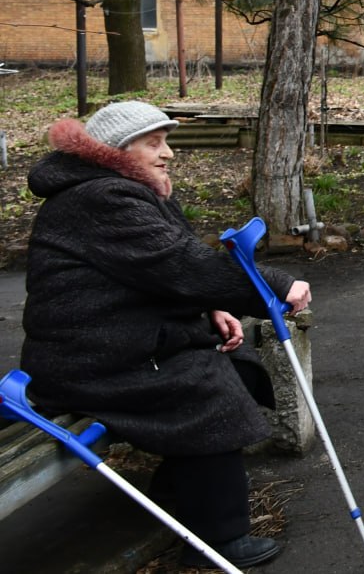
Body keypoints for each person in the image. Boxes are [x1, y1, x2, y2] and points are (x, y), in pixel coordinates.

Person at [21, 101, 312, 570]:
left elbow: (166, 263)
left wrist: (213, 303)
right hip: (92, 360)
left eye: (166, 141)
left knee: (235, 375)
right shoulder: (101, 199)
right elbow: (180, 266)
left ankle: (176, 493)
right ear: (118, 150)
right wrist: (275, 285)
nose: (168, 153)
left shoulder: (117, 190)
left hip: (116, 346)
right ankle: (218, 539)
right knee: (209, 393)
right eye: (154, 143)